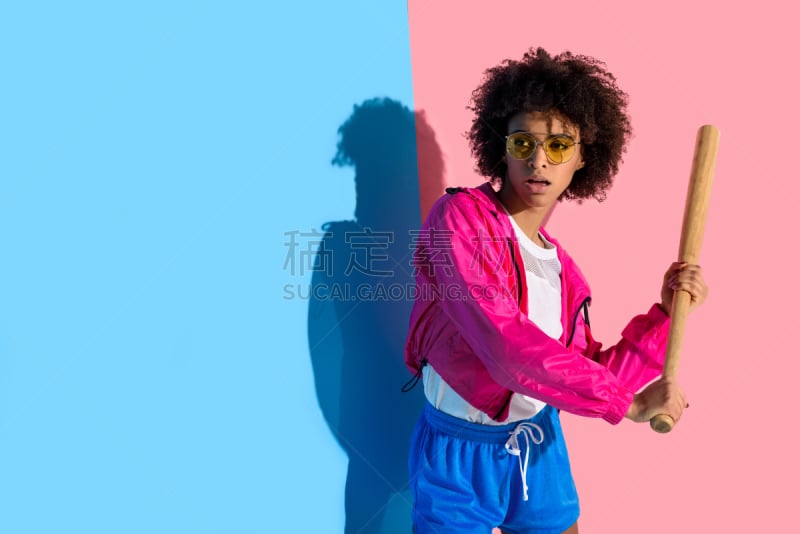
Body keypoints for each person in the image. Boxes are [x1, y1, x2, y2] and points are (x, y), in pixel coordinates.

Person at [403, 48, 708, 534]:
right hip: (458, 456)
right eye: (523, 144)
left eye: (560, 146)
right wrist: (624, 405)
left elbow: (581, 374)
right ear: (501, 147)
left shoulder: (563, 272)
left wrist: (664, 317)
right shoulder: (458, 221)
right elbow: (506, 347)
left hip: (540, 445)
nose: (539, 161)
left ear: (584, 157)